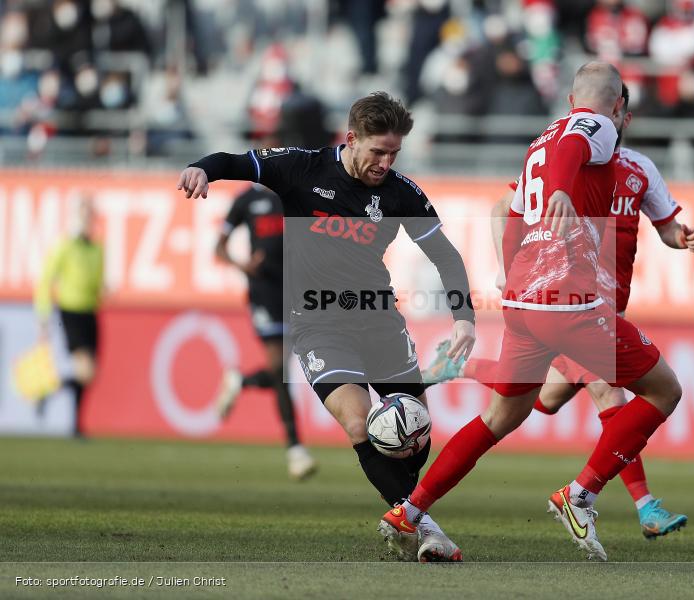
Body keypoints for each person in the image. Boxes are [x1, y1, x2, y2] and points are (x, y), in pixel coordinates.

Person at [379, 62, 683, 561]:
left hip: (523, 300)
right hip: (569, 299)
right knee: (664, 389)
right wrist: (562, 189)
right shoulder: (597, 125)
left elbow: (512, 212)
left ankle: (409, 510)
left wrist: (509, 273)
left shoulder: (541, 141)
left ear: (569, 98)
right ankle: (580, 495)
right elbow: (575, 146)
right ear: (617, 106)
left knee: (503, 415)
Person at [176, 92, 476, 563]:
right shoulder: (303, 167)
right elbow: (235, 161)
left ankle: (407, 513)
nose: (386, 163)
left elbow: (446, 256)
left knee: (413, 433)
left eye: (394, 153)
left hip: (379, 320)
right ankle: (423, 527)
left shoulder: (402, 192)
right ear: (351, 138)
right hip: (318, 324)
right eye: (378, 152)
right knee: (360, 423)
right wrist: (201, 169)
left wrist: (464, 318)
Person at [214, 184, 316, 481]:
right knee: (280, 370)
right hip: (264, 290)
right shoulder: (247, 199)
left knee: (280, 370)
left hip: (296, 291)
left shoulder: (296, 191)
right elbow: (219, 247)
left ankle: (241, 381)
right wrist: (242, 265)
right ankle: (295, 449)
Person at [34, 196, 104, 438]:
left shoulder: (97, 248)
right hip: (71, 311)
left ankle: (70, 418)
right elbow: (46, 280)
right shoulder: (65, 246)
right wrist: (43, 316)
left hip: (90, 312)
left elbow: (96, 282)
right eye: (84, 214)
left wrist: (102, 289)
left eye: (90, 214)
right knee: (85, 370)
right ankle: (75, 425)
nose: (88, 219)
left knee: (89, 374)